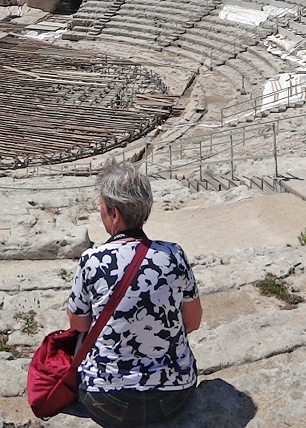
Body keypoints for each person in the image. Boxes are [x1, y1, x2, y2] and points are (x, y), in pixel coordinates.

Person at [66, 161, 200, 427]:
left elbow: (78, 324)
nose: (101, 213)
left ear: (114, 214)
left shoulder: (92, 260)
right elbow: (193, 321)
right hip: (173, 397)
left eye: (102, 208)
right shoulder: (173, 255)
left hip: (107, 401)